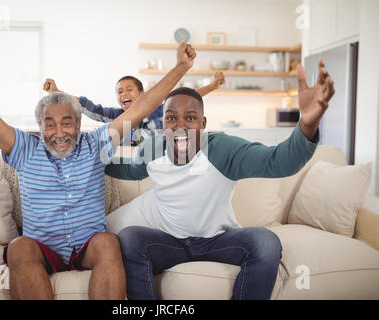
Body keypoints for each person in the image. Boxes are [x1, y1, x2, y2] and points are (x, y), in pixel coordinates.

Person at [0, 35, 196, 300]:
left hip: (88, 247)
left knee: (107, 242)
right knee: (19, 247)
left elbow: (143, 107)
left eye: (67, 123)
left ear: (79, 125)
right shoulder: (24, 148)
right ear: (40, 127)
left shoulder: (97, 144)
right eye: (50, 124)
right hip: (43, 248)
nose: (59, 132)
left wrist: (180, 68)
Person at [104, 60, 335, 300]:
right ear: (163, 124)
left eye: (190, 118)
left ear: (203, 124)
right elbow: (129, 171)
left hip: (218, 241)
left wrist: (307, 124)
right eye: (171, 119)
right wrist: (86, 157)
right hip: (170, 242)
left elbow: (277, 161)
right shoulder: (153, 149)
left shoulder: (221, 149)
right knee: (131, 238)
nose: (180, 126)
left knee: (266, 242)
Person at [42, 72, 225, 145]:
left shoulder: (160, 111)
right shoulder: (117, 115)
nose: (124, 94)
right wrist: (57, 92)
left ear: (142, 94)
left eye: (129, 90)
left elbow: (187, 97)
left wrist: (213, 85)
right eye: (119, 91)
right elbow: (89, 107)